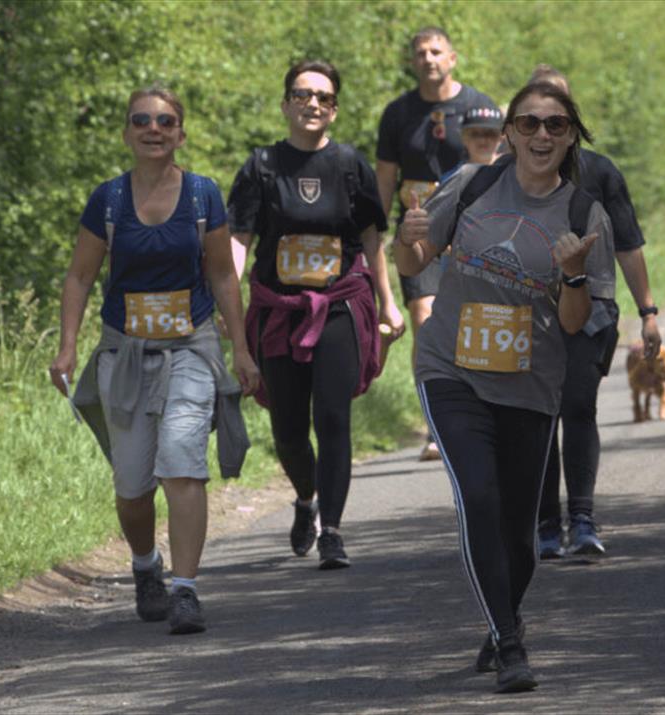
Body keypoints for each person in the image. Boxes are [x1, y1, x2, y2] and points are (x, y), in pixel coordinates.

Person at [395, 82, 609, 693]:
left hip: (530, 384)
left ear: (571, 137)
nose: (542, 134)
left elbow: (575, 323)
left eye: (556, 125)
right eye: (529, 123)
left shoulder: (583, 215)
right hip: (451, 370)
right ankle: (510, 644)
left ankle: (502, 619)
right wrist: (405, 237)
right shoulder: (471, 185)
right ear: (510, 132)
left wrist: (573, 276)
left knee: (521, 535)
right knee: (479, 499)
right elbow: (413, 262)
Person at [49, 86, 259, 635]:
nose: (153, 129)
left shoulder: (202, 196)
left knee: (182, 460)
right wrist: (68, 346)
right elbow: (80, 276)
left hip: (191, 346)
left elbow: (223, 275)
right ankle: (146, 566)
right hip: (125, 352)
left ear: (180, 135)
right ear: (127, 133)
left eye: (165, 121)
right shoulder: (108, 201)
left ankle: (185, 590)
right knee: (132, 487)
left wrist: (240, 348)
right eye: (141, 120)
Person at [227, 60, 397, 569]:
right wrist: (227, 303)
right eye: (302, 94)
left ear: (335, 110)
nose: (313, 104)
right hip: (279, 312)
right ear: (286, 105)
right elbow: (239, 241)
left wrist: (388, 301)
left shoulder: (350, 165)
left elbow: (371, 239)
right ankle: (306, 499)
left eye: (324, 97)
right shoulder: (261, 166)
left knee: (333, 417)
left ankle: (334, 532)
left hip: (339, 304)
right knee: (288, 430)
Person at [525, 65, 662, 560]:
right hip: (526, 311)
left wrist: (648, 311)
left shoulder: (600, 172)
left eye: (557, 111)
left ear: (571, 115)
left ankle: (582, 520)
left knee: (578, 406)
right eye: (535, 112)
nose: (545, 125)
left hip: (592, 307)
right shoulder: (508, 172)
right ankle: (545, 526)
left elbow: (628, 244)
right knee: (538, 415)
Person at [375, 26, 500, 461]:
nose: (428, 59)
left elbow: (500, 164)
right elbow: (385, 177)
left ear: (452, 58)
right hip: (420, 231)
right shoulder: (397, 113)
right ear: (413, 62)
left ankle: (482, 409)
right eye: (420, 53)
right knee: (425, 319)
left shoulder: (479, 105)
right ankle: (437, 424)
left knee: (473, 320)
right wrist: (377, 230)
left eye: (436, 51)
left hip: (472, 231)